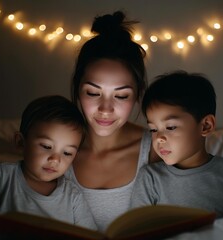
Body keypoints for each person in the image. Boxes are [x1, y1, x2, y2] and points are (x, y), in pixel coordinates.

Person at [65, 11, 158, 231]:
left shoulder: (156, 150)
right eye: (93, 93)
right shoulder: (53, 148)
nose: (105, 109)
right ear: (78, 90)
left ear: (137, 96)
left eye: (121, 95)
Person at [130, 71, 223, 218]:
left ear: (205, 126)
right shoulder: (150, 178)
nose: (159, 138)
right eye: (153, 129)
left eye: (171, 127)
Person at [0, 95, 97, 230]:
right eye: (47, 146)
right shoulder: (1, 177)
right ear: (21, 142)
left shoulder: (73, 197)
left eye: (67, 153)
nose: (55, 159)